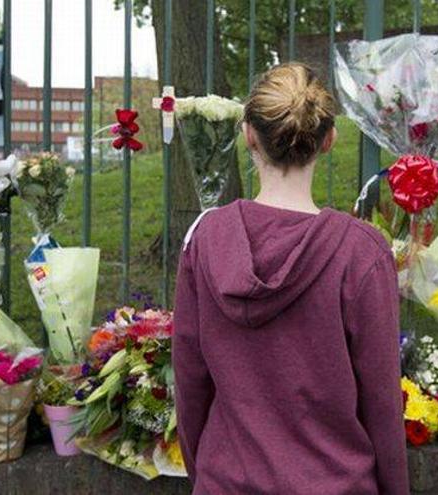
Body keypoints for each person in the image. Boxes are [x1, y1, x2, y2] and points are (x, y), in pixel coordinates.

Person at [173, 62, 408, 494]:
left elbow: (189, 383)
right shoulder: (361, 253)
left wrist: (204, 474)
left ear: (248, 136)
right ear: (329, 140)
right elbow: (382, 401)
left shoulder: (205, 242)